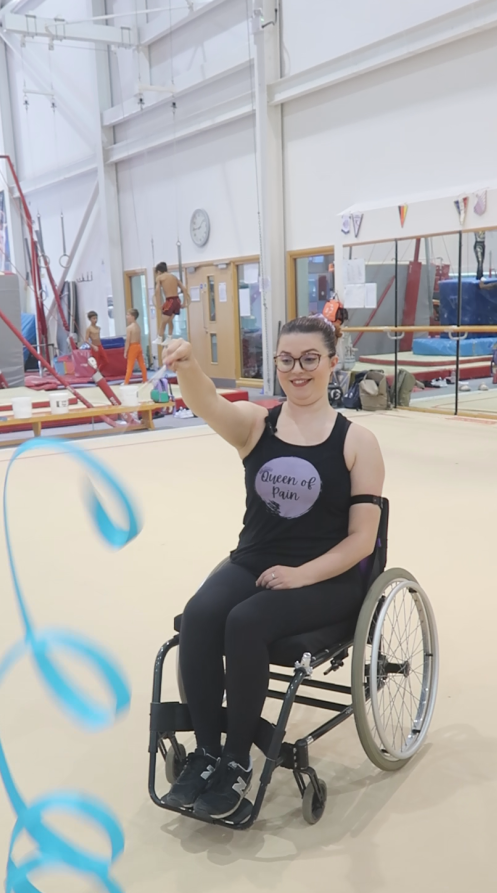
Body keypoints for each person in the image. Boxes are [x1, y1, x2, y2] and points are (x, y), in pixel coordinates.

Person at [161, 315, 385, 820]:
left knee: (246, 622)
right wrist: (189, 365)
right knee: (199, 614)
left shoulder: (357, 442)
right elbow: (206, 403)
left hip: (328, 575)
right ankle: (206, 754)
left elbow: (362, 541)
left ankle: (238, 759)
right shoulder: (256, 425)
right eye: (287, 360)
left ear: (332, 362)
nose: (297, 370)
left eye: (310, 359)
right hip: (256, 560)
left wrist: (301, 575)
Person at [154, 262, 190, 344]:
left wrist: (159, 304)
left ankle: (159, 338)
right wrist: (184, 302)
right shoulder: (174, 277)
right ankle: (169, 337)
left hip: (169, 301)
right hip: (177, 300)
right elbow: (184, 289)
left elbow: (157, 291)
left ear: (159, 271)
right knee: (170, 320)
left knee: (163, 322)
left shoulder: (160, 277)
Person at [124, 308, 147, 383]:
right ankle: (145, 380)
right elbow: (139, 338)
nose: (126, 316)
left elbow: (128, 341)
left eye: (128, 315)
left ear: (133, 317)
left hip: (133, 347)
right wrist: (141, 349)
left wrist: (125, 351)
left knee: (130, 366)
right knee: (142, 365)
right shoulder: (138, 326)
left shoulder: (129, 328)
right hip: (138, 346)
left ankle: (126, 382)